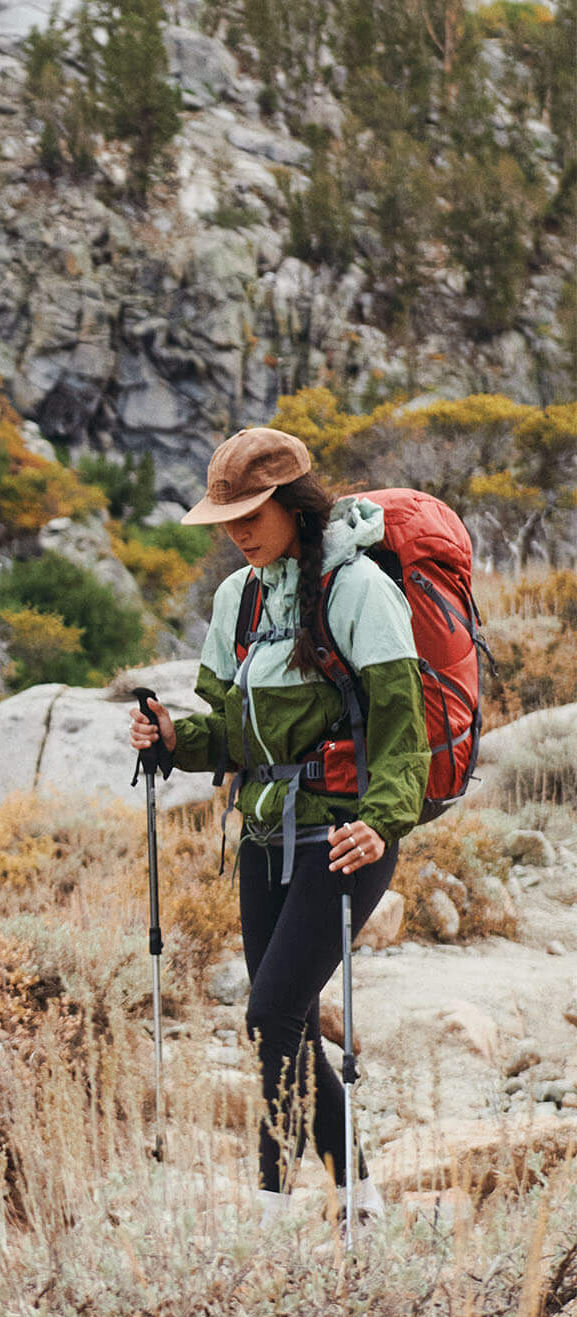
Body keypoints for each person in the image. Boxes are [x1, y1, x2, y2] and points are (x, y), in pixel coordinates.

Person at [127, 426, 428, 1223]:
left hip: (342, 834)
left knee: (269, 1013)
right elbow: (225, 731)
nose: (237, 531)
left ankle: (267, 1210)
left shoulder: (358, 589)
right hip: (264, 833)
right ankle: (361, 1203)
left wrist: (382, 819)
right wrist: (171, 738)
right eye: (226, 517)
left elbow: (405, 726)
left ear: (294, 502)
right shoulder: (239, 598)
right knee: (279, 1026)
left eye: (251, 512)